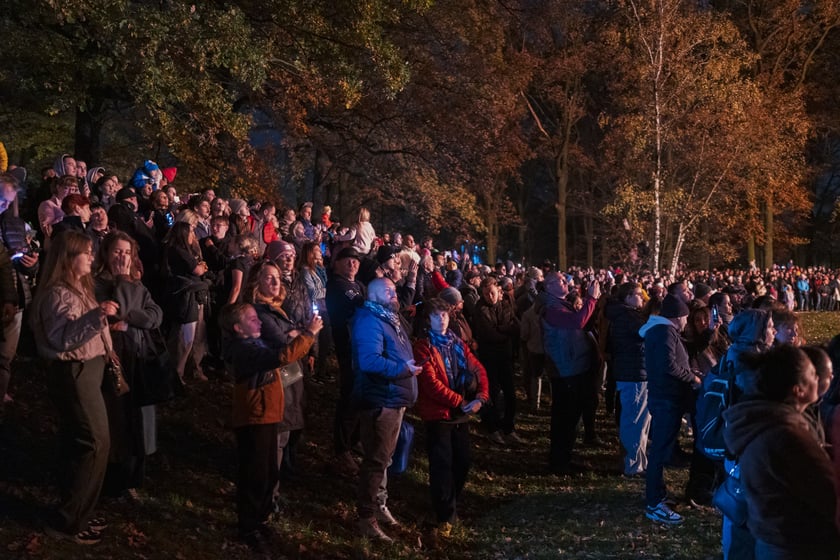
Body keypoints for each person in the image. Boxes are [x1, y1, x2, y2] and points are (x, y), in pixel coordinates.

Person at [31, 230, 120, 544]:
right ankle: (69, 520)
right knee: (95, 443)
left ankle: (76, 510)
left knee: (80, 442)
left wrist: (107, 345)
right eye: (87, 252)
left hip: (88, 370)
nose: (92, 257)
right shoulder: (58, 294)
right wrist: (98, 316)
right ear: (69, 258)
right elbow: (63, 338)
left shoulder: (78, 288)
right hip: (75, 372)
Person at [220, 302, 318, 554]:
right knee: (254, 474)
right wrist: (309, 334)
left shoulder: (256, 343)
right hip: (254, 418)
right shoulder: (244, 349)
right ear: (238, 328)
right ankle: (248, 526)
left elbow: (280, 361)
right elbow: (280, 358)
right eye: (252, 319)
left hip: (269, 414)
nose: (260, 322)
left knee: (268, 472)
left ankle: (261, 520)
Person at [724, 345, 838, 560]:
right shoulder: (786, 437)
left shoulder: (768, 423)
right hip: (797, 546)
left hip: (777, 539)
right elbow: (825, 494)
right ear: (798, 390)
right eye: (812, 374)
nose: (818, 377)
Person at [94, 231, 163, 501]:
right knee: (117, 419)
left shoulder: (137, 284)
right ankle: (112, 481)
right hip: (114, 360)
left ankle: (133, 478)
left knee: (138, 418)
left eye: (127, 252)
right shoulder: (98, 283)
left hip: (137, 357)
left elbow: (155, 315)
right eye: (117, 251)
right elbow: (114, 312)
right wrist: (122, 281)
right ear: (106, 253)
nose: (122, 257)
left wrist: (130, 318)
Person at [412, 298, 489, 538]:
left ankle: (450, 503)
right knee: (442, 465)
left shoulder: (457, 343)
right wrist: (460, 402)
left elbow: (478, 369)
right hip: (439, 415)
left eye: (444, 315)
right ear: (428, 319)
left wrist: (482, 396)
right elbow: (431, 384)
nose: (441, 319)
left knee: (462, 462)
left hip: (459, 415)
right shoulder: (423, 347)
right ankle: (445, 515)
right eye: (436, 315)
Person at [351, 277, 420, 542]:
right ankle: (366, 517)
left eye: (394, 290)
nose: (395, 294)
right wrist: (403, 370)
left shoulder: (390, 319)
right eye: (389, 291)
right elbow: (369, 361)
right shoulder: (370, 320)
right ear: (375, 295)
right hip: (381, 400)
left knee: (385, 459)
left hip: (394, 399)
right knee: (376, 460)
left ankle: (379, 505)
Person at [243, 260, 324, 482]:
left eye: (277, 278)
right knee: (274, 442)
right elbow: (282, 345)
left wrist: (296, 334)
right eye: (269, 277)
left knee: (283, 437)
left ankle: (272, 487)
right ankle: (266, 491)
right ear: (256, 282)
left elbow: (289, 337)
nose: (275, 282)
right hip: (272, 383)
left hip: (287, 381)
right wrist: (306, 332)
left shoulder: (276, 309)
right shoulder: (259, 313)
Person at [639, 293, 701, 525]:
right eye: (685, 317)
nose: (686, 322)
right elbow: (669, 365)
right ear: (678, 316)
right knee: (659, 451)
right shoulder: (663, 332)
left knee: (662, 449)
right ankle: (654, 503)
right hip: (666, 398)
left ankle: (659, 494)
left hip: (667, 397)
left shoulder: (663, 331)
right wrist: (692, 378)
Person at [541, 271, 600, 473]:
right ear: (549, 287)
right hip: (565, 370)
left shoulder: (561, 305)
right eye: (559, 280)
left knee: (571, 417)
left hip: (572, 367)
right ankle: (559, 462)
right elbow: (577, 322)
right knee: (565, 418)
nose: (565, 281)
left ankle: (564, 458)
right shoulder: (552, 309)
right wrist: (591, 299)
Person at [325, 247, 365, 476]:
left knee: (360, 395)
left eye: (355, 261)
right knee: (349, 396)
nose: (352, 264)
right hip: (348, 347)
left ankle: (354, 439)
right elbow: (362, 306)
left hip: (362, 347)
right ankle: (341, 449)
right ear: (337, 263)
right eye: (347, 260)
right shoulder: (337, 285)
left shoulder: (358, 285)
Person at [0, 174, 36, 410]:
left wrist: (32, 264)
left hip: (16, 293)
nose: (4, 206)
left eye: (8, 201)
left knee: (6, 355)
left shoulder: (17, 224)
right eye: (1, 199)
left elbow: (27, 258)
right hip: (4, 294)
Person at [605, 282, 649, 477]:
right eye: (639, 294)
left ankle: (639, 462)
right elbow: (644, 336)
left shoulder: (628, 315)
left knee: (640, 421)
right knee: (634, 421)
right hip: (633, 373)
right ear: (628, 297)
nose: (642, 298)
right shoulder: (627, 317)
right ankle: (632, 465)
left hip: (635, 371)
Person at [473, 276, 521, 445]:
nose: (490, 297)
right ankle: (492, 428)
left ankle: (508, 427)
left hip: (505, 356)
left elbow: (516, 327)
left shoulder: (506, 305)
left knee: (510, 394)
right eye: (486, 294)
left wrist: (501, 329)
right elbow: (489, 334)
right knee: (492, 393)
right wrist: (505, 333)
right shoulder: (480, 309)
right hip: (489, 357)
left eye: (492, 293)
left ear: (498, 290)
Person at [162, 221, 211, 385]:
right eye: (190, 232)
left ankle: (182, 372)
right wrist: (202, 266)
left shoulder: (177, 250)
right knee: (185, 337)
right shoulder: (179, 251)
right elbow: (197, 269)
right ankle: (178, 373)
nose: (193, 235)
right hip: (186, 297)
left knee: (189, 336)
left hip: (188, 295)